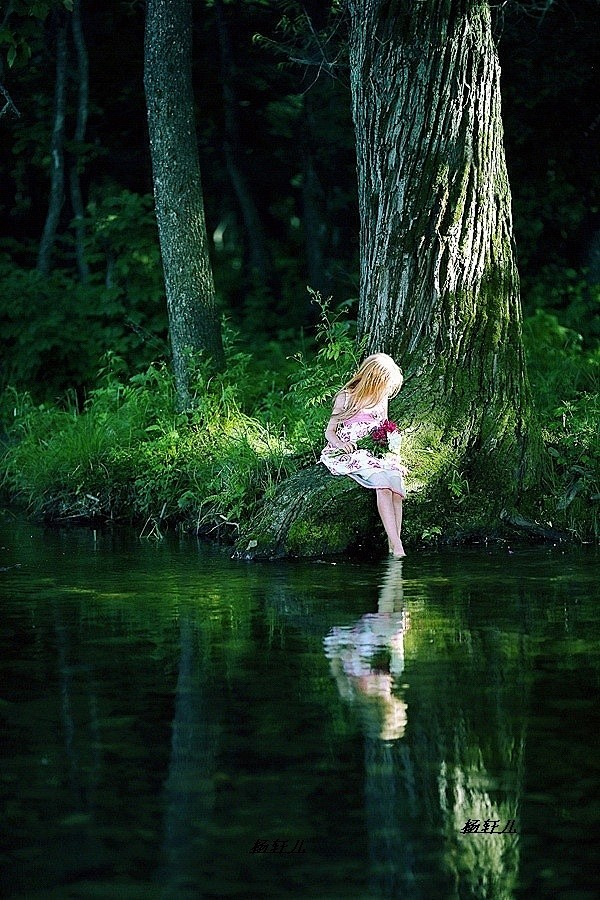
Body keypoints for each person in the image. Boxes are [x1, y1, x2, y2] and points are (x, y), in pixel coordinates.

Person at [321, 353, 407, 558]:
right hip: (355, 451)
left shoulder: (381, 398)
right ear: (373, 379)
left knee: (396, 486)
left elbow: (384, 427)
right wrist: (341, 444)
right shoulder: (346, 397)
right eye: (384, 384)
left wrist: (391, 450)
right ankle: (398, 546)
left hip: (376, 452)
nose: (386, 390)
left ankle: (393, 540)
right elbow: (329, 431)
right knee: (382, 486)